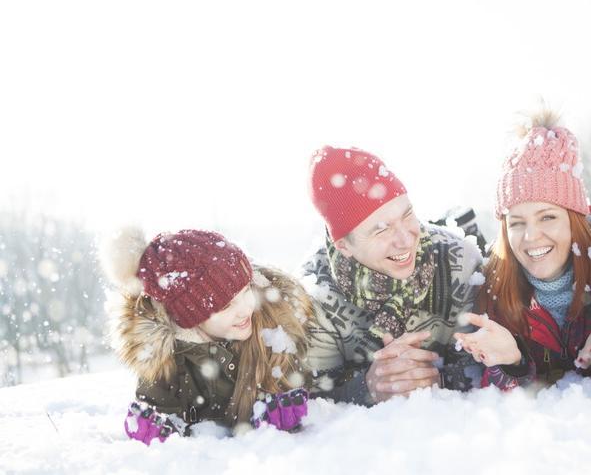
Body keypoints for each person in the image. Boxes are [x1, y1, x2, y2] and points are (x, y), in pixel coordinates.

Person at [454, 109, 591, 391]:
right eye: (516, 222)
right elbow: (498, 406)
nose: (531, 236)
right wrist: (510, 364)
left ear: (574, 219)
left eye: (547, 217)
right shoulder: (495, 287)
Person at [303, 146, 484, 405]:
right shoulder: (314, 300)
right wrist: (366, 387)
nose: (405, 239)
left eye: (407, 214)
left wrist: (438, 380)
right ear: (343, 245)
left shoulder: (460, 262)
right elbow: (308, 399)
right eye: (382, 230)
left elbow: (489, 364)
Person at [100, 227, 311, 444]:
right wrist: (161, 428)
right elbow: (159, 406)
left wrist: (273, 405)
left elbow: (298, 376)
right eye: (227, 305)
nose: (246, 308)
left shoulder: (270, 324)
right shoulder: (164, 357)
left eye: (246, 289)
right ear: (191, 318)